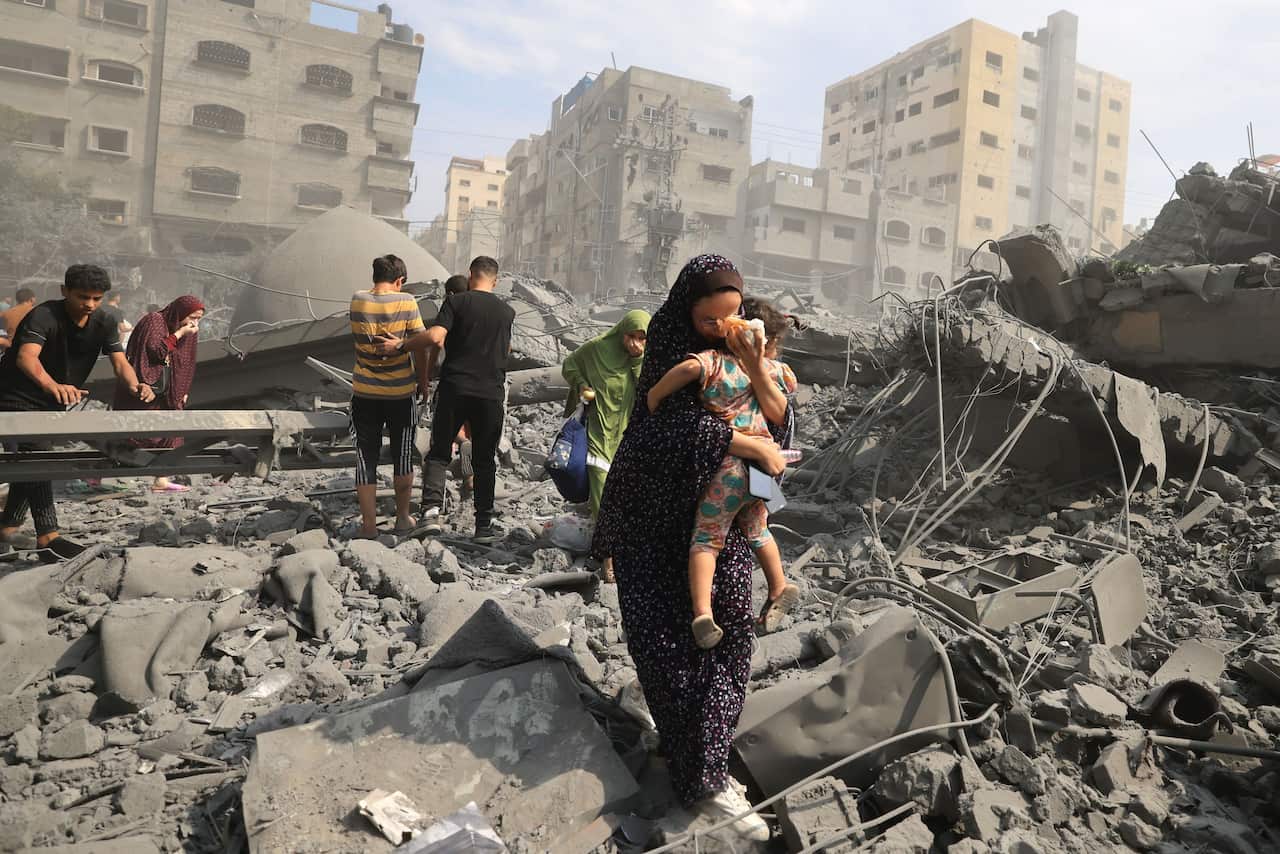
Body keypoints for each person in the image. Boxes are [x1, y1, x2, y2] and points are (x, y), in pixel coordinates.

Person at [593, 255, 789, 841]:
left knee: (729, 636)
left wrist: (756, 368)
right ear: (687, 313)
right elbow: (654, 425)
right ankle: (702, 779)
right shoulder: (669, 347)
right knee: (665, 648)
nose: (725, 327)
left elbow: (781, 426)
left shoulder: (756, 356)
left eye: (733, 316)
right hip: (653, 526)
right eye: (712, 320)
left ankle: (707, 761)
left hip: (719, 519)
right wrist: (741, 441)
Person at [646, 298, 800, 649]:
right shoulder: (775, 371)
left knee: (707, 538)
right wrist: (762, 360)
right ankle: (778, 585)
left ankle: (702, 612)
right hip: (764, 468)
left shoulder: (715, 363)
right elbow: (786, 389)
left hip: (729, 467)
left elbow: (687, 370)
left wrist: (655, 395)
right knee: (758, 528)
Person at [0, 265, 155, 562]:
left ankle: (7, 526)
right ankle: (48, 536)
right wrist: (53, 385)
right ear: (64, 291)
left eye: (97, 298)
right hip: (15, 395)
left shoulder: (104, 321)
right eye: (83, 297)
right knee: (38, 454)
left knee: (31, 459)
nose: (90, 304)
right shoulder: (44, 315)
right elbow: (26, 357)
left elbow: (120, 362)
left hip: (53, 399)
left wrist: (138, 385)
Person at [378, 256, 514, 544]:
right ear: (495, 280)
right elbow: (508, 349)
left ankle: (430, 515)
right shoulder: (507, 312)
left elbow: (436, 337)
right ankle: (484, 527)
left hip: (456, 388)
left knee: (440, 453)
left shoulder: (457, 302)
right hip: (491, 394)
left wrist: (401, 345)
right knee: (484, 460)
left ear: (471, 274)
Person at [561, 310, 650, 580]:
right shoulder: (597, 349)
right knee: (603, 498)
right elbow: (570, 365)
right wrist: (582, 385)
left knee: (627, 497)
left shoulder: (646, 360)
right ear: (621, 333)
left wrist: (638, 360)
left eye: (642, 338)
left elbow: (649, 390)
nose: (635, 342)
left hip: (627, 438)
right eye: (631, 336)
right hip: (598, 435)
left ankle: (624, 550)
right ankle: (608, 559)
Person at [348, 254, 427, 538]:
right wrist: (424, 381)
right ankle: (403, 518)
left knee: (364, 457)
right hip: (400, 393)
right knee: (402, 456)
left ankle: (368, 526)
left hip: (364, 393)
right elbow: (420, 344)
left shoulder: (357, 299)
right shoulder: (406, 301)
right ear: (399, 280)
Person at [111, 295, 205, 494]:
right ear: (180, 312)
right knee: (131, 434)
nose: (194, 323)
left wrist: (183, 389)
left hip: (167, 391)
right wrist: (179, 333)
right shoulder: (155, 320)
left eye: (198, 319)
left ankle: (161, 478)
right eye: (191, 317)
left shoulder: (190, 330)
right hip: (143, 386)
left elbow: (187, 362)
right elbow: (154, 351)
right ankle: (96, 474)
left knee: (170, 433)